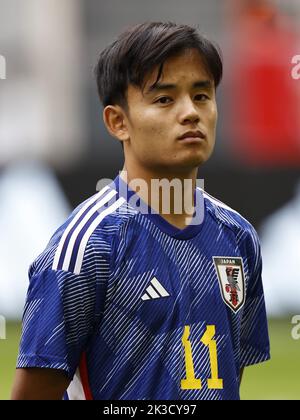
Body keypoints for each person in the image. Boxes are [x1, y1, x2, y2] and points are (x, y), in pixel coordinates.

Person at [12, 22, 270, 400]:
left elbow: (230, 378)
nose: (190, 113)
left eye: (202, 96)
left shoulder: (238, 237)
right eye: (164, 99)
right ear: (118, 122)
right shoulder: (86, 246)